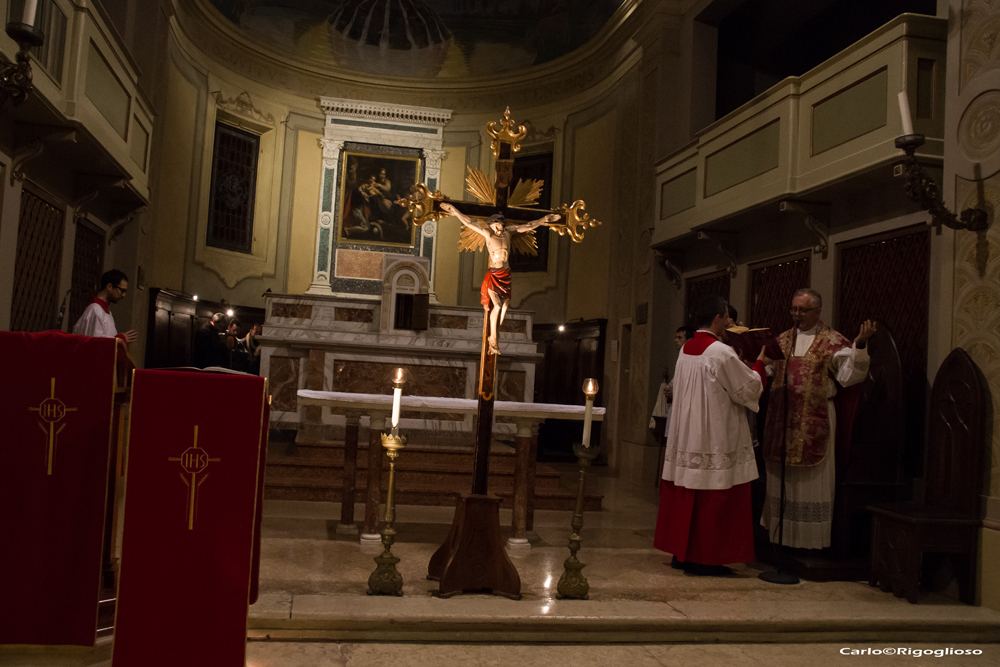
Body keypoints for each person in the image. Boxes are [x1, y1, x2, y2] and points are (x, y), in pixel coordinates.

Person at [654, 297, 769, 576]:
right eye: (727, 316)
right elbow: (747, 389)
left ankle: (682, 554)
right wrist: (760, 364)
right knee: (716, 495)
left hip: (689, 434)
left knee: (688, 494)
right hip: (714, 434)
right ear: (718, 317)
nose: (728, 321)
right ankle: (706, 559)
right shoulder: (719, 352)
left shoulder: (687, 349)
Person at [760, 288, 876, 549]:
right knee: (782, 480)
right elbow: (766, 369)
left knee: (810, 483)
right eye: (794, 309)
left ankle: (808, 541)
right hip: (783, 422)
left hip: (816, 421)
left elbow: (849, 376)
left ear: (817, 311)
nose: (797, 315)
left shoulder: (832, 341)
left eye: (802, 310)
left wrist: (859, 345)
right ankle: (780, 538)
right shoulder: (782, 340)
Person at [440, 202, 560, 354]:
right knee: (496, 305)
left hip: (506, 273)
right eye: (494, 224)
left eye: (498, 224)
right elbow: (469, 223)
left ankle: (495, 332)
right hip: (494, 274)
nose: (496, 227)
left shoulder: (509, 232)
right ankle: (493, 339)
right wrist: (456, 212)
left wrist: (544, 219)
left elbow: (529, 226)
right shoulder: (487, 234)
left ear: (502, 224)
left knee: (505, 307)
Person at [651, 326, 695, 486]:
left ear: (689, 339)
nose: (676, 340)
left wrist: (675, 391)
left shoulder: (692, 359)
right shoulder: (681, 358)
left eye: (680, 337)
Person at [72, 269, 137, 343]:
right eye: (122, 290)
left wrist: (118, 340)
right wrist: (118, 340)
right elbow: (95, 343)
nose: (124, 295)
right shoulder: (95, 310)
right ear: (109, 286)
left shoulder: (106, 311)